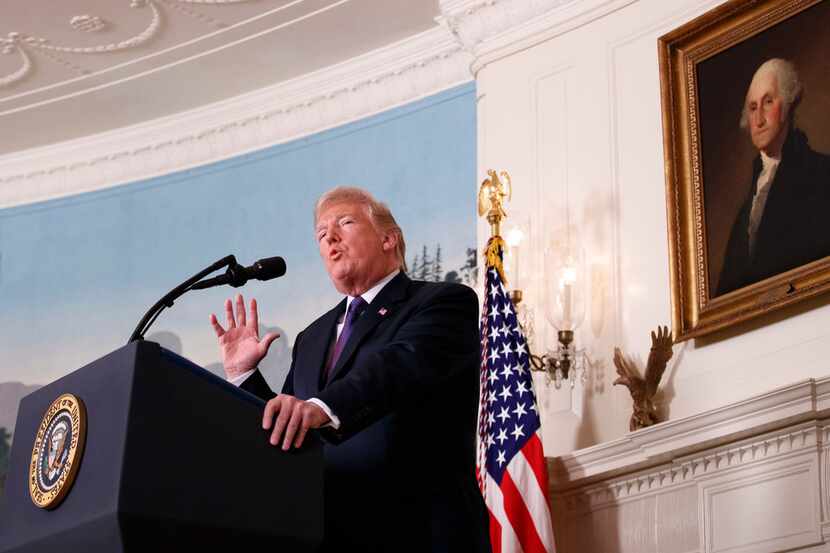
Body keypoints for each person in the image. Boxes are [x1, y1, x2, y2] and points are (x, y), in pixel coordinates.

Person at [209, 186, 491, 552]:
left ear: (389, 238)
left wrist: (320, 408)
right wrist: (245, 376)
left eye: (344, 222)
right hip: (332, 533)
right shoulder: (312, 337)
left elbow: (396, 367)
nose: (331, 238)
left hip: (420, 529)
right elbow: (291, 426)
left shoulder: (442, 302)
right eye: (321, 234)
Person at [717, 58, 830, 296]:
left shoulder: (821, 174)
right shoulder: (748, 203)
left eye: (768, 102)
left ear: (788, 103)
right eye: (753, 107)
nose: (758, 120)